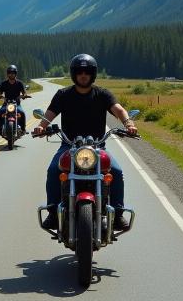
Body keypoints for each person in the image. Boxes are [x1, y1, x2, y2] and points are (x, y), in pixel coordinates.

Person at [32, 54, 137, 231]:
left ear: (92, 74)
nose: (83, 74)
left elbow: (118, 109)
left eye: (87, 71)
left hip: (97, 146)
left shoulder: (102, 94)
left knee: (117, 172)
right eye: (79, 71)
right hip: (69, 146)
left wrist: (129, 123)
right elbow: (49, 114)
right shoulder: (63, 95)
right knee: (53, 170)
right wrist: (41, 127)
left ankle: (118, 214)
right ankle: (52, 212)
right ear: (74, 74)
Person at [0, 64, 29, 135]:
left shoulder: (19, 83)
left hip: (16, 103)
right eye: (9, 73)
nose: (11, 74)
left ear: (15, 74)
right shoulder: (4, 83)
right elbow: (0, 92)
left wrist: (24, 95)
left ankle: (23, 129)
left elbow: (24, 92)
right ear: (7, 74)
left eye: (13, 73)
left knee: (22, 113)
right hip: (6, 103)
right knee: (0, 112)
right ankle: (0, 128)